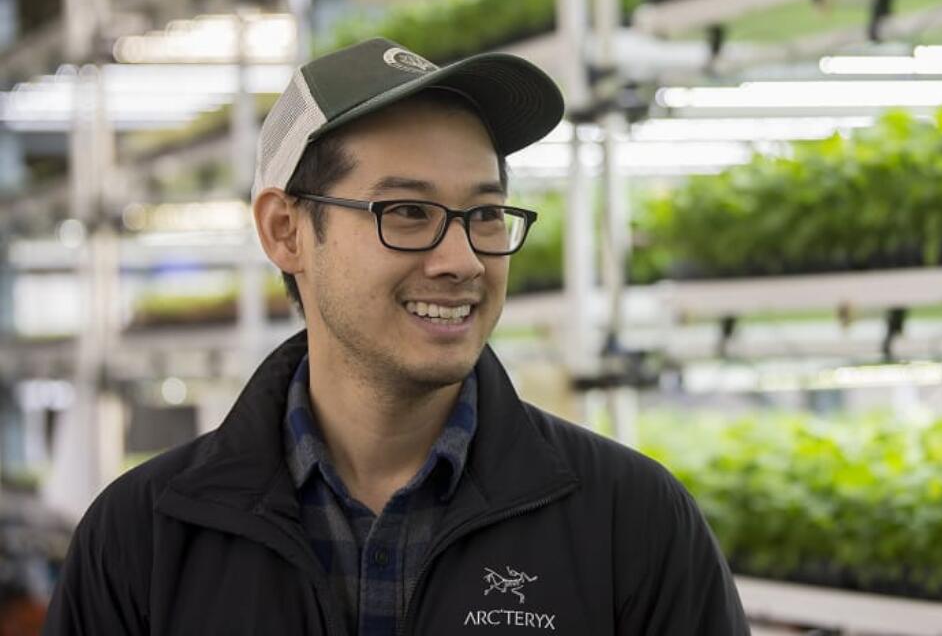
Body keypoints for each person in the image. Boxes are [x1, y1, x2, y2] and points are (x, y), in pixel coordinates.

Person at [44, 37, 750, 635]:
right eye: (408, 212)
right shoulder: (144, 540)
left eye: (485, 215)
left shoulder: (633, 523)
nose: (463, 261)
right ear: (286, 231)